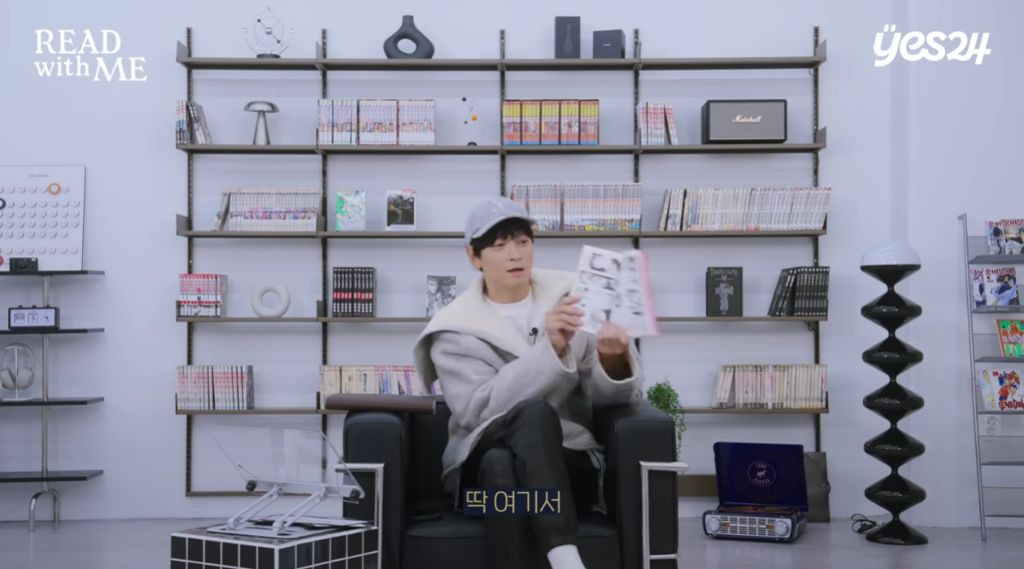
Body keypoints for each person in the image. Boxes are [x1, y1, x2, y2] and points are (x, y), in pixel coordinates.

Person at [413, 197, 643, 569]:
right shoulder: (453, 329)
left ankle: (563, 557)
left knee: (503, 467)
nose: (515, 254)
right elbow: (476, 411)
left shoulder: (575, 299)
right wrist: (550, 350)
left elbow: (611, 399)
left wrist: (612, 357)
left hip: (570, 475)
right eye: (499, 245)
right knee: (522, 428)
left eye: (523, 241)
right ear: (474, 256)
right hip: (474, 491)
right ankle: (565, 556)